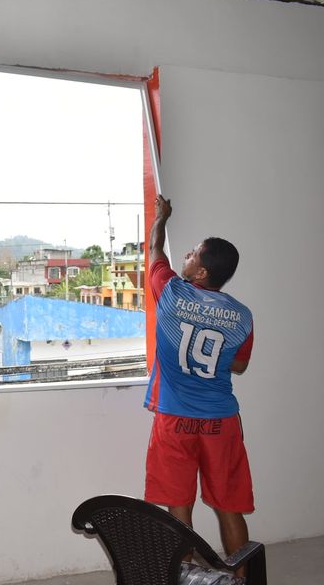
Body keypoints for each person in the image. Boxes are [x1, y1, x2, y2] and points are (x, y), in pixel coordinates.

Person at [143, 195, 255, 570]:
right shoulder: (241, 315)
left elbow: (155, 249)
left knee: (179, 506)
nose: (187, 255)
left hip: (174, 420)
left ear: (202, 272)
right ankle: (240, 577)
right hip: (221, 421)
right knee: (229, 506)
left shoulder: (171, 292)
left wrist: (162, 218)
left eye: (192, 253)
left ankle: (187, 575)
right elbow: (239, 364)